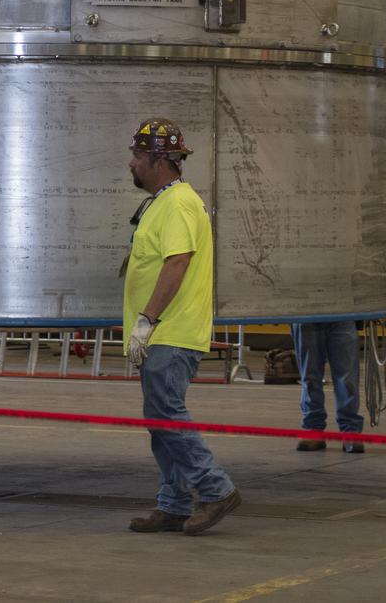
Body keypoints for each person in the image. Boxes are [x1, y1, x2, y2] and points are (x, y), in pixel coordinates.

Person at [121, 118, 240, 536]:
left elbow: (177, 262)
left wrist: (146, 321)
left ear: (158, 160)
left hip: (169, 332)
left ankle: (215, 488)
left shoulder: (177, 204)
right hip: (161, 333)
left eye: (137, 156)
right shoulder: (164, 202)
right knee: (160, 421)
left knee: (166, 414)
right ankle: (172, 504)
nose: (131, 164)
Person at [291, 321, 364, 453]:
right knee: (310, 376)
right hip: (306, 316)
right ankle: (313, 429)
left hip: (343, 315)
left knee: (347, 378)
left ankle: (350, 431)